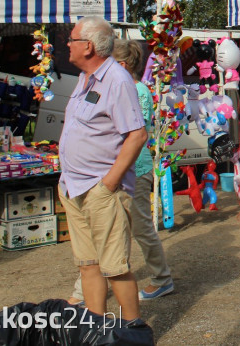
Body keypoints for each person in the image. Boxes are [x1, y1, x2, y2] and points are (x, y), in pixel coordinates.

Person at [69, 40, 174, 306]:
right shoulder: (107, 85)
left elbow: (128, 132)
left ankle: (162, 279)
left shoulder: (134, 90)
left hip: (133, 172)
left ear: (122, 65)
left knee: (139, 229)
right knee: (100, 230)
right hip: (110, 172)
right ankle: (85, 290)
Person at [59, 16, 147, 319]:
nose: (67, 45)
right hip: (74, 186)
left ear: (88, 46)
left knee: (115, 268)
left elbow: (137, 135)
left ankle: (132, 333)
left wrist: (109, 183)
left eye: (72, 39)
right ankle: (96, 330)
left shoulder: (117, 80)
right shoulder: (86, 77)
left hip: (101, 190)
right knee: (88, 264)